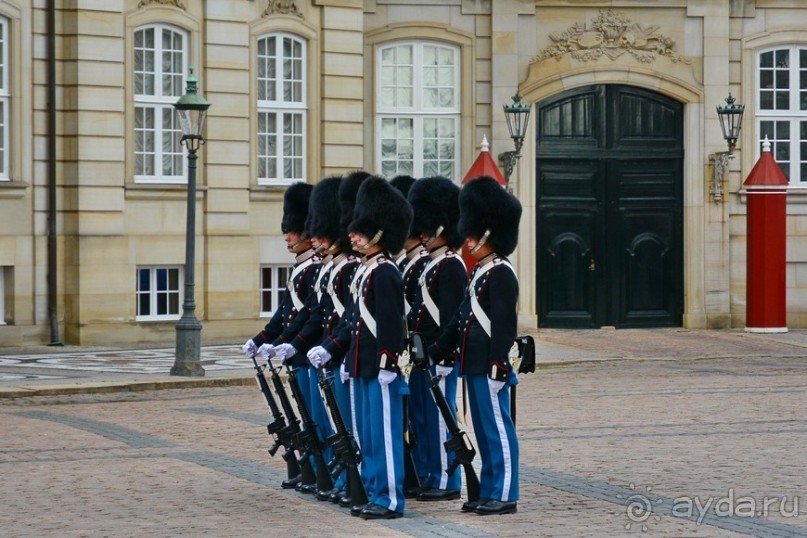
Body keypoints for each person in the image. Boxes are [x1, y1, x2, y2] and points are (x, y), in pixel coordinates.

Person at [308, 175, 412, 520]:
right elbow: (351, 320)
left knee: (383, 437)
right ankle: (371, 489)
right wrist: (332, 349)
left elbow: (390, 323)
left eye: (359, 231)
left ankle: (390, 498)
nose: (352, 235)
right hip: (358, 364)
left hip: (378, 367)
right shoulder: (365, 271)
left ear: (378, 233)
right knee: (366, 437)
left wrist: (387, 361)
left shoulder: (385, 273)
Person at [427, 175, 521, 516]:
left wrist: (499, 363)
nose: (467, 239)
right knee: (483, 432)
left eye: (472, 233)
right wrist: (436, 350)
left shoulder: (501, 273)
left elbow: (503, 325)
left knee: (497, 431)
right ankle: (489, 488)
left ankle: (506, 492)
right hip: (474, 364)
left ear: (487, 234)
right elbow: (460, 321)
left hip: (490, 365)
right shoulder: (480, 271)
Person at [240, 181, 321, 491]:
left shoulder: (313, 267)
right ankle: (309, 467)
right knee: (302, 414)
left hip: (307, 350)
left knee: (314, 416)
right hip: (295, 350)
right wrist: (262, 339)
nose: (287, 237)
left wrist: (285, 342)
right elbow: (284, 312)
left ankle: (317, 468)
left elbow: (307, 315)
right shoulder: (301, 267)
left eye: (292, 231)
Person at [406, 176, 467, 501]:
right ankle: (430, 473)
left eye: (429, 229)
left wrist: (441, 355)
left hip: (440, 359)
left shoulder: (451, 265)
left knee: (441, 418)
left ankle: (447, 480)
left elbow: (450, 319)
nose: (423, 235)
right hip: (424, 357)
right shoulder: (433, 264)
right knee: (423, 420)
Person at [390, 174, 430, 495]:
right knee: (412, 417)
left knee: (425, 417)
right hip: (407, 352)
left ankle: (432, 471)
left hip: (421, 352)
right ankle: (418, 470)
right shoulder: (404, 263)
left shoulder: (423, 264)